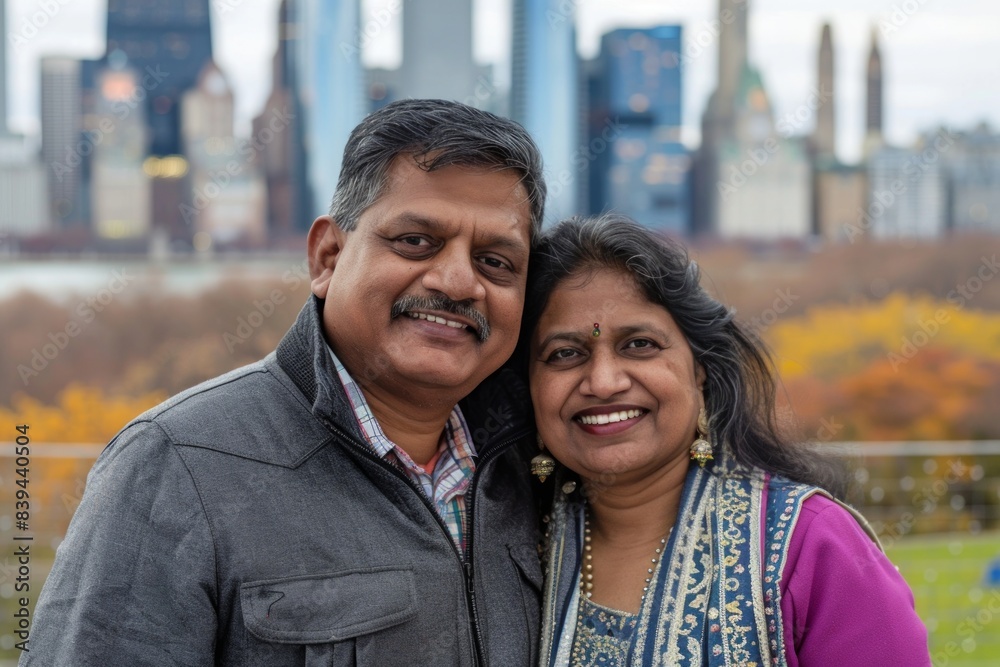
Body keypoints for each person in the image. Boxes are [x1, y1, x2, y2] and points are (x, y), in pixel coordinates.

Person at [23, 99, 548, 666]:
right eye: (416, 241)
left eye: (496, 262)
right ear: (327, 257)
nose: (457, 281)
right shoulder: (177, 465)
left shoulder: (541, 468)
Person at [521, 215, 931, 666]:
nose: (602, 382)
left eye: (639, 344)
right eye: (565, 354)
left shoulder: (812, 546)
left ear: (700, 368)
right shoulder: (507, 539)